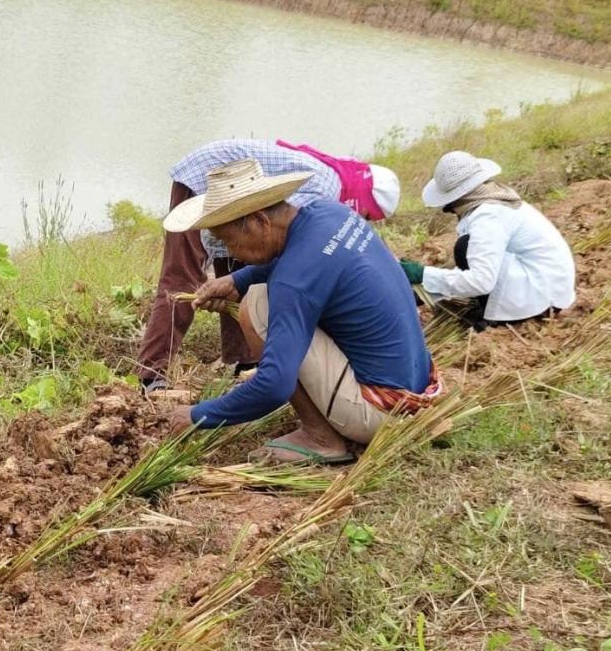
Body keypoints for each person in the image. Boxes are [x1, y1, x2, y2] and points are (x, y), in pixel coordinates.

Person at [165, 159, 440, 464]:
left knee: (257, 306)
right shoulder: (331, 214)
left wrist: (198, 415)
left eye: (229, 240)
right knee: (257, 293)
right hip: (419, 389)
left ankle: (320, 438)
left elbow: (273, 386)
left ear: (259, 221)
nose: (230, 253)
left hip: (381, 411)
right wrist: (235, 280)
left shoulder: (291, 284)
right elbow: (312, 261)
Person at [137, 139, 401, 390]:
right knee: (182, 276)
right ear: (362, 201)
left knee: (243, 262)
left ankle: (246, 360)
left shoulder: (330, 195)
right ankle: (152, 373)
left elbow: (270, 240)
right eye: (367, 215)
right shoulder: (324, 193)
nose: (363, 220)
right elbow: (283, 241)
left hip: (240, 197)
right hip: (206, 177)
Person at [399, 151, 575, 326]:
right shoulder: (493, 197)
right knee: (467, 250)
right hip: (550, 284)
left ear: (454, 200)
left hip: (542, 297)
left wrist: (422, 274)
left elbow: (480, 280)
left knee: (464, 248)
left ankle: (505, 318)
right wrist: (423, 293)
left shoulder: (488, 216)